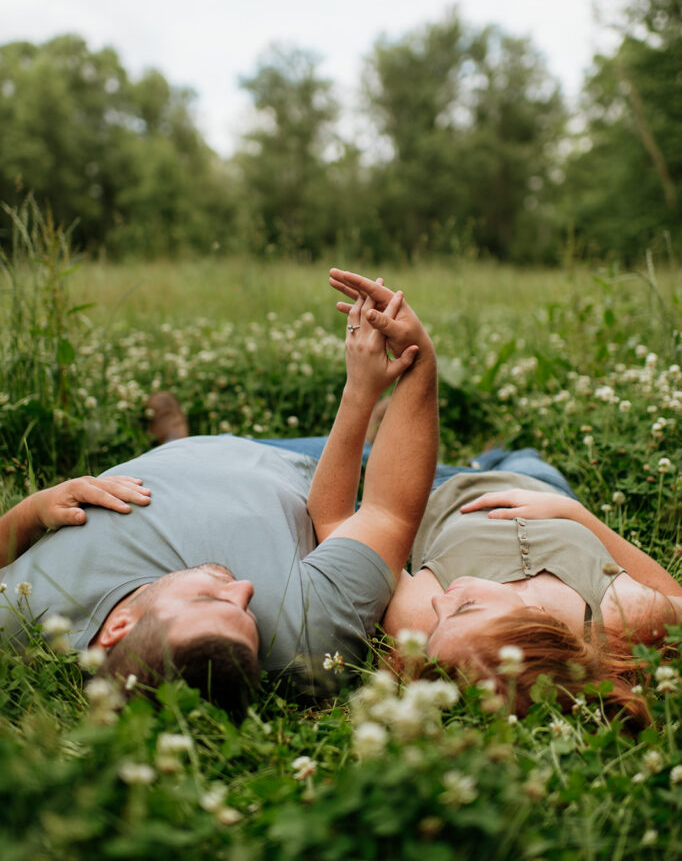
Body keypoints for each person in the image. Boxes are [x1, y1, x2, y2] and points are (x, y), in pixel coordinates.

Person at [0, 271, 438, 717]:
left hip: (180, 461)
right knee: (475, 480)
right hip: (293, 464)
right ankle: (392, 431)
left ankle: (175, 439)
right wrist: (414, 366)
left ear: (119, 628)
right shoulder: (305, 638)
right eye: (249, 616)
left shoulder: (21, 617)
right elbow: (387, 512)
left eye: (209, 600)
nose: (244, 589)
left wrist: (32, 511)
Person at [322, 271, 682, 726]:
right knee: (521, 456)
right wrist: (577, 514)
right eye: (466, 609)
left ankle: (392, 429)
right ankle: (487, 450)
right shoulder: (625, 617)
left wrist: (372, 383)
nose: (441, 603)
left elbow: (337, 525)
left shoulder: (422, 622)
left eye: (437, 628)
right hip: (534, 481)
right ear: (534, 624)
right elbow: (675, 600)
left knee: (301, 454)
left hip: (430, 489)